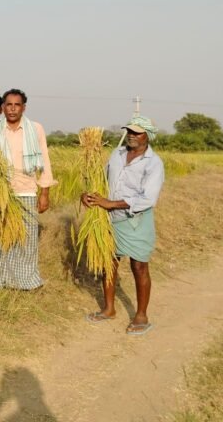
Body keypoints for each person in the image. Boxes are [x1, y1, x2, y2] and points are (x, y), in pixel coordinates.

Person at [82, 115, 164, 335]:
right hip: (109, 219)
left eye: (137, 132)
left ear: (148, 136)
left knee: (139, 266)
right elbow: (102, 178)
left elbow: (148, 198)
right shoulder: (117, 155)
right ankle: (109, 309)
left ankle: (141, 315)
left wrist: (111, 203)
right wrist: (88, 195)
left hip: (136, 220)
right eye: (129, 131)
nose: (132, 135)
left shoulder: (153, 163)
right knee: (109, 263)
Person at [0, 89, 55, 290]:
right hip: (1, 194)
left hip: (26, 191)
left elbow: (44, 160)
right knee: (2, 240)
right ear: (3, 107)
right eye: (8, 105)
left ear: (23, 108)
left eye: (17, 105)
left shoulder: (35, 129)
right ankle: (2, 281)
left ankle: (26, 282)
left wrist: (44, 192)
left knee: (27, 241)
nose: (12, 109)